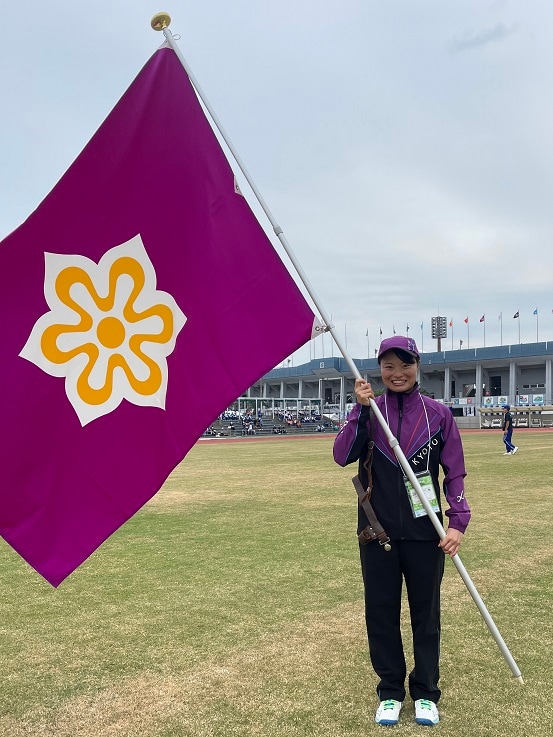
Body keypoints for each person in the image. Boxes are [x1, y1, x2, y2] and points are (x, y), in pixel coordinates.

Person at [333, 335, 471, 727]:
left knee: (426, 617)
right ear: (379, 369)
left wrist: (457, 522)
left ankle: (426, 692)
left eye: (404, 364)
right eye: (388, 366)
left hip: (427, 536)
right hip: (377, 535)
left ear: (417, 365)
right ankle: (390, 690)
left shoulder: (438, 415)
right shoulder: (368, 410)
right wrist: (361, 412)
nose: (397, 373)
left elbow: (454, 472)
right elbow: (342, 455)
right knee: (381, 614)